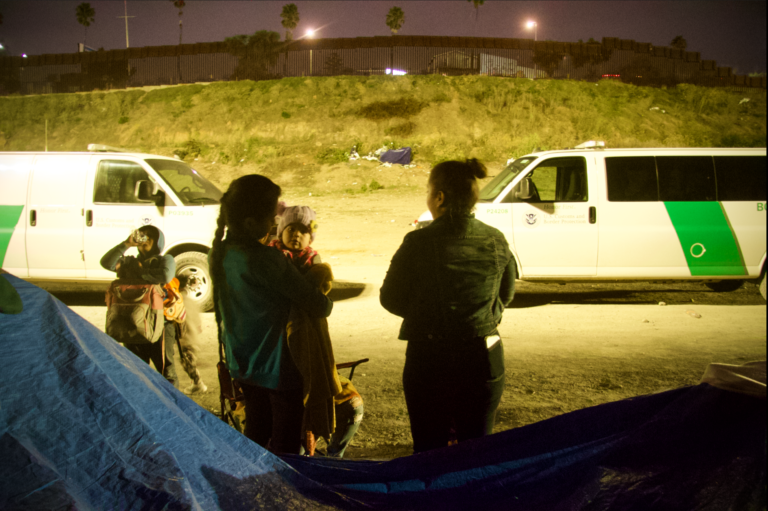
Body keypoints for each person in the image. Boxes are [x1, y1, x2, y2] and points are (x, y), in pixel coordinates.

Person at [380, 158, 516, 454]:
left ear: (439, 197)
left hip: (429, 359)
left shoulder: (417, 242)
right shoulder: (497, 240)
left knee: (430, 451)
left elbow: (389, 297)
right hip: (483, 356)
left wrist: (428, 316)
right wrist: (477, 317)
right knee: (477, 451)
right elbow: (505, 296)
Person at [209, 175, 332, 455]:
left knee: (255, 438)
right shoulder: (267, 259)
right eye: (271, 219)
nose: (274, 226)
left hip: (243, 367)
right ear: (253, 223)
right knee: (286, 450)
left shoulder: (219, 254)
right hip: (279, 371)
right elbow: (320, 306)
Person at [101, 225, 179, 388]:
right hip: (132, 322)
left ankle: (174, 407)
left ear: (158, 241)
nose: (145, 238)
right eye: (142, 235)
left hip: (161, 324)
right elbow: (106, 263)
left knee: (166, 373)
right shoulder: (128, 261)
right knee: (136, 371)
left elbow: (165, 275)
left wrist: (139, 273)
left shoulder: (165, 259)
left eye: (150, 236)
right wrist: (127, 244)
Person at [268, 205, 322, 271]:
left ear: (310, 240)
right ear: (281, 234)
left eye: (303, 231)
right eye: (291, 229)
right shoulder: (271, 252)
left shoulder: (312, 258)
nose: (297, 234)